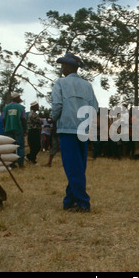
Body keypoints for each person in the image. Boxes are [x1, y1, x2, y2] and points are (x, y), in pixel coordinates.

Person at [51, 53, 98, 212]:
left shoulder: (61, 83)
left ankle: (83, 203)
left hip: (67, 128)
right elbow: (95, 108)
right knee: (79, 166)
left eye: (64, 65)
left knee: (72, 167)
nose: (62, 68)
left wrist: (53, 119)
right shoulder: (87, 85)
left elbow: (57, 105)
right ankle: (68, 201)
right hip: (82, 130)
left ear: (71, 67)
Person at [2, 93, 27, 168]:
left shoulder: (5, 108)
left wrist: (5, 128)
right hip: (18, 129)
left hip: (8, 129)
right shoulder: (21, 108)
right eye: (19, 97)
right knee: (20, 146)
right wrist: (25, 129)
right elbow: (23, 119)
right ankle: (20, 163)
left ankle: (12, 163)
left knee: (10, 147)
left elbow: (3, 119)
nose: (20, 99)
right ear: (16, 98)